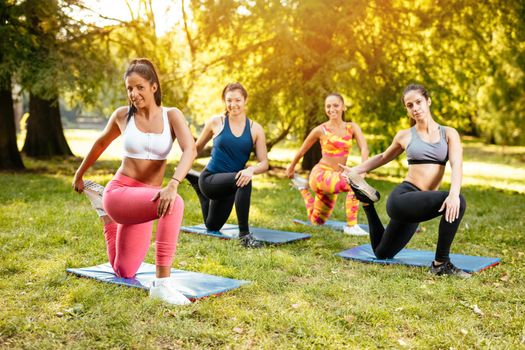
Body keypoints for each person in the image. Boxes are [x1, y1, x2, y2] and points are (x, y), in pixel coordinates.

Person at [72, 58, 197, 304]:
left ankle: (107, 220)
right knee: (174, 204)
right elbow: (100, 144)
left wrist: (173, 183)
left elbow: (190, 149)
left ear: (153, 86)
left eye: (139, 87)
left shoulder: (172, 116)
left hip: (145, 198)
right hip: (120, 193)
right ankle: (162, 285)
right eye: (129, 88)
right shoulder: (122, 116)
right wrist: (79, 174)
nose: (134, 93)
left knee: (125, 271)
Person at [342, 84, 470, 277]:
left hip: (419, 205)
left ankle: (367, 203)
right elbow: (384, 157)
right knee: (459, 202)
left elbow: (457, 165)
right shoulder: (405, 135)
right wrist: (356, 170)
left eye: (418, 102)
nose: (415, 108)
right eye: (410, 105)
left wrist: (453, 194)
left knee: (382, 252)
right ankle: (440, 264)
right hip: (403, 198)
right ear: (407, 110)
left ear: (428, 101)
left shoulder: (449, 133)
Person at [185, 82, 269, 248]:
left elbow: (265, 163)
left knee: (212, 226)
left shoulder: (255, 129)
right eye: (229, 100)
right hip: (210, 179)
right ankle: (245, 236)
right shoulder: (217, 122)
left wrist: (251, 169)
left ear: (245, 100)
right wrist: (181, 167)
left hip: (231, 185)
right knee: (244, 179)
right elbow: (196, 149)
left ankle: (198, 190)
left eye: (237, 100)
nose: (233, 104)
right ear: (224, 101)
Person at [286, 93, 371, 236]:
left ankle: (302, 187)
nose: (332, 109)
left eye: (336, 105)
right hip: (321, 175)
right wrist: (292, 166)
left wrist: (363, 169)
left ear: (343, 107)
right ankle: (351, 226)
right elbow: (302, 150)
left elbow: (364, 148)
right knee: (353, 183)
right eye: (328, 106)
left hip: (334, 178)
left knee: (316, 221)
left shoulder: (352, 127)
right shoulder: (321, 129)